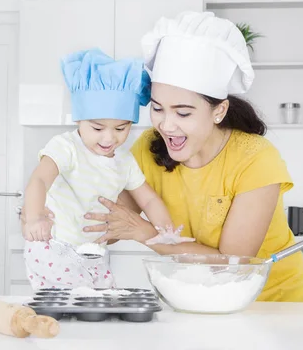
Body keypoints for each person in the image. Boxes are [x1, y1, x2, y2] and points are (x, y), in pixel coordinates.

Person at [24, 11, 303, 302]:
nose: (165, 124)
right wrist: (55, 208)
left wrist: (144, 232)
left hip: (272, 303)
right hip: (193, 295)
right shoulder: (148, 148)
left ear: (219, 111)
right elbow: (109, 225)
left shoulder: (256, 159)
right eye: (158, 108)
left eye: (183, 112)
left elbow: (233, 265)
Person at [22, 48, 185, 291]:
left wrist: (166, 231)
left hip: (94, 253)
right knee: (73, 304)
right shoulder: (66, 147)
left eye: (121, 129)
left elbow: (149, 199)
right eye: (97, 128)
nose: (109, 138)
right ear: (79, 119)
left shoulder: (124, 161)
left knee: (99, 304)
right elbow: (39, 181)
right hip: (53, 246)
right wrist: (34, 217)